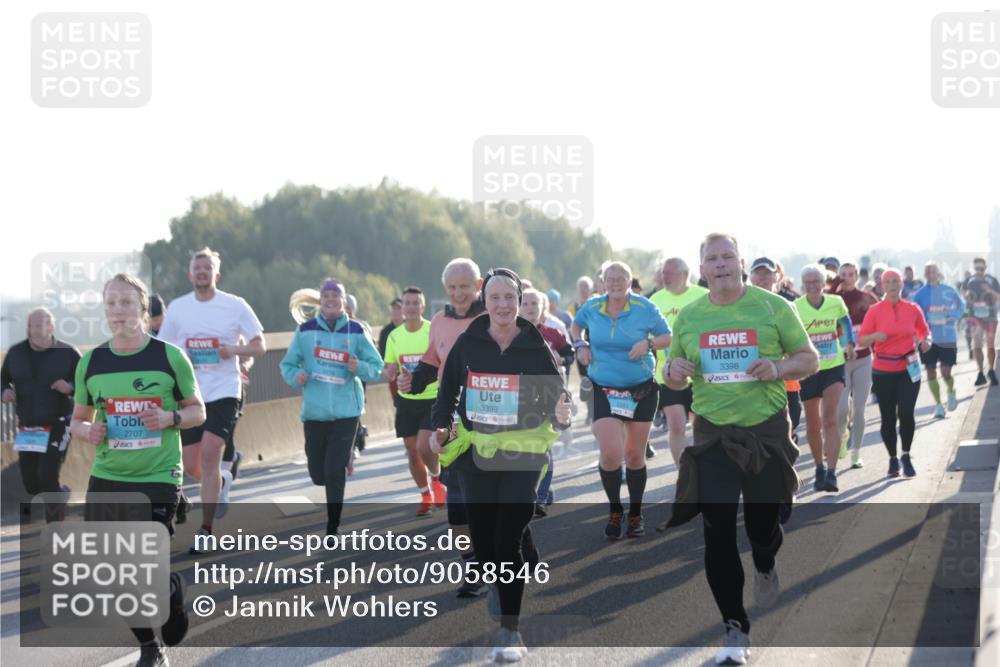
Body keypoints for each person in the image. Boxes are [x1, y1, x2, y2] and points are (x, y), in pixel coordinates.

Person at [661, 233, 818, 666]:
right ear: (702, 269)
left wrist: (779, 367)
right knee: (717, 531)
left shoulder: (773, 306)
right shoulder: (690, 317)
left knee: (763, 527)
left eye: (728, 256)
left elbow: (810, 359)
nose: (721, 264)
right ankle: (734, 629)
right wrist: (671, 370)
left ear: (741, 262)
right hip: (712, 436)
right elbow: (674, 375)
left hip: (765, 432)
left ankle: (765, 563)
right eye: (712, 258)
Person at [430, 268, 572, 663]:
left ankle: (510, 630)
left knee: (506, 536)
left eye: (510, 297)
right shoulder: (470, 341)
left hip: (523, 453)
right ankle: (507, 565)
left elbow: (559, 401)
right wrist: (440, 426)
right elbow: (446, 393)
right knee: (486, 540)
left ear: (519, 298)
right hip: (477, 454)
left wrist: (562, 415)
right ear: (485, 300)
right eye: (495, 298)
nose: (503, 305)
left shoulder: (533, 343)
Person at [70, 273, 205, 667]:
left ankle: (169, 592)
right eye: (110, 303)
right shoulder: (91, 362)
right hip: (109, 476)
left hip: (159, 475)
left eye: (126, 302)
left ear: (143, 309)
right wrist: (87, 431)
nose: (117, 310)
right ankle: (151, 646)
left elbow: (199, 411)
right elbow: (78, 419)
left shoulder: (169, 357)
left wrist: (170, 417)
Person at [157, 247, 266, 553]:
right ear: (190, 274)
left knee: (209, 454)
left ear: (216, 274)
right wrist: (182, 356)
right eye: (197, 268)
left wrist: (233, 350)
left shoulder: (234, 305)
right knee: (192, 465)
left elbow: (259, 346)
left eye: (208, 268)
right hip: (190, 395)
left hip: (224, 391)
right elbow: (163, 349)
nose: (202, 272)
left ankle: (206, 530)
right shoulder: (178, 309)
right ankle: (221, 481)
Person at [397, 257, 491, 598]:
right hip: (450, 415)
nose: (459, 293)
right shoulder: (438, 320)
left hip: (489, 417)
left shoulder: (493, 317)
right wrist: (413, 381)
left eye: (465, 286)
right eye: (452, 287)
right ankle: (472, 566)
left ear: (478, 286)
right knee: (457, 505)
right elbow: (430, 362)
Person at [571, 261, 671, 540]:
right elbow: (575, 327)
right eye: (610, 279)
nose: (615, 283)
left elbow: (666, 336)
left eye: (621, 278)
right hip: (604, 388)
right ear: (602, 282)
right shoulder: (592, 306)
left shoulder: (644, 307)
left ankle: (636, 512)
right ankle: (616, 510)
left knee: (634, 455)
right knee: (612, 453)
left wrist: (648, 344)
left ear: (629, 281)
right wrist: (580, 345)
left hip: (640, 389)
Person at [281, 278, 384, 535]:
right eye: (326, 296)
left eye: (336, 296)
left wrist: (358, 367)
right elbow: (288, 365)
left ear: (343, 301)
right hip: (315, 413)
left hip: (347, 412)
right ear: (320, 300)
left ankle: (332, 525)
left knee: (334, 471)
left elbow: (376, 366)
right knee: (318, 474)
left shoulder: (357, 331)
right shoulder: (305, 331)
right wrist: (297, 376)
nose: (331, 300)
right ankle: (338, 464)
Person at [2, 308, 80, 505]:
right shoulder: (16, 352)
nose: (33, 330)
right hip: (28, 426)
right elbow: (2, 380)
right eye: (30, 326)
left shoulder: (68, 353)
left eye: (38, 325)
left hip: (59, 423)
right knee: (31, 485)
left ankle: (56, 525)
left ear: (51, 327)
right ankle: (60, 495)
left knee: (46, 475)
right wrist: (4, 392)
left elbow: (88, 385)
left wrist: (70, 388)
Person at [858, 269, 931, 478]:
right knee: (888, 418)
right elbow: (862, 340)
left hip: (909, 369)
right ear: (881, 286)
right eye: (887, 282)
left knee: (906, 413)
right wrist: (875, 335)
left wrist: (926, 341)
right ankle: (892, 458)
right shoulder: (874, 311)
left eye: (895, 281)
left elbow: (924, 331)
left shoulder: (912, 308)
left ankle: (906, 455)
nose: (891, 285)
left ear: (901, 284)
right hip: (883, 371)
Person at [381, 286, 447, 516]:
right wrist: (389, 372)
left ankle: (437, 479)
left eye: (414, 303)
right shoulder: (394, 336)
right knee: (411, 451)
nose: (409, 307)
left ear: (422, 307)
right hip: (406, 400)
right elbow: (389, 368)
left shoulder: (432, 331)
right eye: (406, 303)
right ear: (402, 308)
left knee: (423, 445)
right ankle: (425, 494)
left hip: (431, 398)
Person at [795, 264, 855, 493]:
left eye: (816, 282)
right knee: (813, 422)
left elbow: (846, 323)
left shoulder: (835, 302)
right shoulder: (796, 307)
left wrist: (849, 344)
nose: (812, 286)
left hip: (833, 365)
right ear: (803, 285)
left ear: (823, 284)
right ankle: (819, 466)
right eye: (807, 282)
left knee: (830, 418)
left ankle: (831, 473)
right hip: (809, 368)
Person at [521, 288, 575, 517]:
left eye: (535, 303)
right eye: (525, 303)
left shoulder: (553, 332)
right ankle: (537, 488)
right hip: (522, 395)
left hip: (550, 391)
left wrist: (562, 358)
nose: (530, 307)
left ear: (543, 307)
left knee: (545, 444)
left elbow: (569, 353)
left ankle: (541, 495)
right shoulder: (512, 334)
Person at [650, 257, 708, 464]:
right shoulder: (655, 300)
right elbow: (648, 337)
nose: (665, 277)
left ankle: (706, 468)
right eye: (663, 273)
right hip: (668, 374)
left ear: (685, 275)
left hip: (701, 373)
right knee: (676, 425)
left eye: (670, 273)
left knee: (702, 425)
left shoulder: (703, 296)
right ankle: (685, 473)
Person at [749, 258, 803, 443]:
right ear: (750, 277)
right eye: (758, 273)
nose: (762, 278)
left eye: (767, 273)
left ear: (776, 277)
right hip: (752, 382)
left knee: (789, 426)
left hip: (785, 381)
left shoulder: (788, 306)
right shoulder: (740, 308)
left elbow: (800, 347)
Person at [832, 262, 878, 468]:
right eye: (843, 275)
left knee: (859, 409)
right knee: (841, 410)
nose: (847, 278)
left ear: (857, 276)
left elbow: (881, 318)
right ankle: (842, 437)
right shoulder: (833, 299)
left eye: (851, 274)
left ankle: (856, 453)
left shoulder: (868, 298)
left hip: (863, 359)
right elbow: (822, 306)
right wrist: (834, 285)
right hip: (840, 361)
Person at [912, 262, 966, 417]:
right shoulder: (920, 294)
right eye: (927, 271)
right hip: (927, 338)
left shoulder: (949, 290)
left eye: (933, 270)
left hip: (947, 336)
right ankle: (938, 405)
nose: (930, 273)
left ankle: (950, 390)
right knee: (930, 371)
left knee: (946, 371)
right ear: (925, 274)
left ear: (938, 273)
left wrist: (953, 316)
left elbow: (961, 306)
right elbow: (915, 315)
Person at [961, 257, 1000, 386]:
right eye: (977, 268)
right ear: (974, 268)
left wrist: (988, 290)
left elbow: (998, 297)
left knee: (990, 345)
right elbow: (963, 294)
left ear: (985, 268)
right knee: (977, 344)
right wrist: (967, 297)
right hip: (975, 317)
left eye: (981, 268)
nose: (979, 271)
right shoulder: (968, 280)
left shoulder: (992, 280)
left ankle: (991, 370)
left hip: (990, 317)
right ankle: (980, 373)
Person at [568, 276, 597, 424]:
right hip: (580, 349)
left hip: (596, 349)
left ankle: (596, 412)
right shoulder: (573, 308)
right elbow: (571, 327)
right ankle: (590, 412)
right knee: (585, 382)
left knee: (596, 380)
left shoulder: (598, 303)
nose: (583, 289)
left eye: (586, 286)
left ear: (591, 288)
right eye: (581, 287)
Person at [378, 297, 405, 402]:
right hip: (394, 374)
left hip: (411, 371)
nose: (395, 311)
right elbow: (382, 355)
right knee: (398, 403)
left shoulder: (410, 327)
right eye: (393, 308)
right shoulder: (385, 332)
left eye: (398, 308)